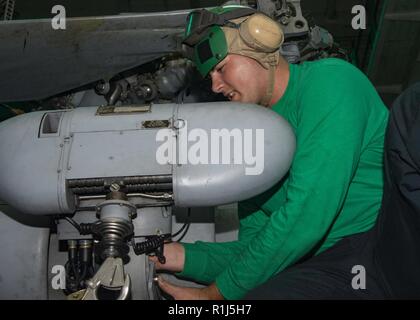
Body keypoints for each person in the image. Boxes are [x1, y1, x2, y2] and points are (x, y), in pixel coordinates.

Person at [149, 5, 390, 300]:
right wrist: (177, 256)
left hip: (374, 248)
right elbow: (254, 248)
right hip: (317, 264)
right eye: (209, 74)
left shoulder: (330, 83)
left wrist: (213, 296)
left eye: (222, 68)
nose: (214, 84)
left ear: (260, 43)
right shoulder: (254, 141)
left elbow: (307, 215)